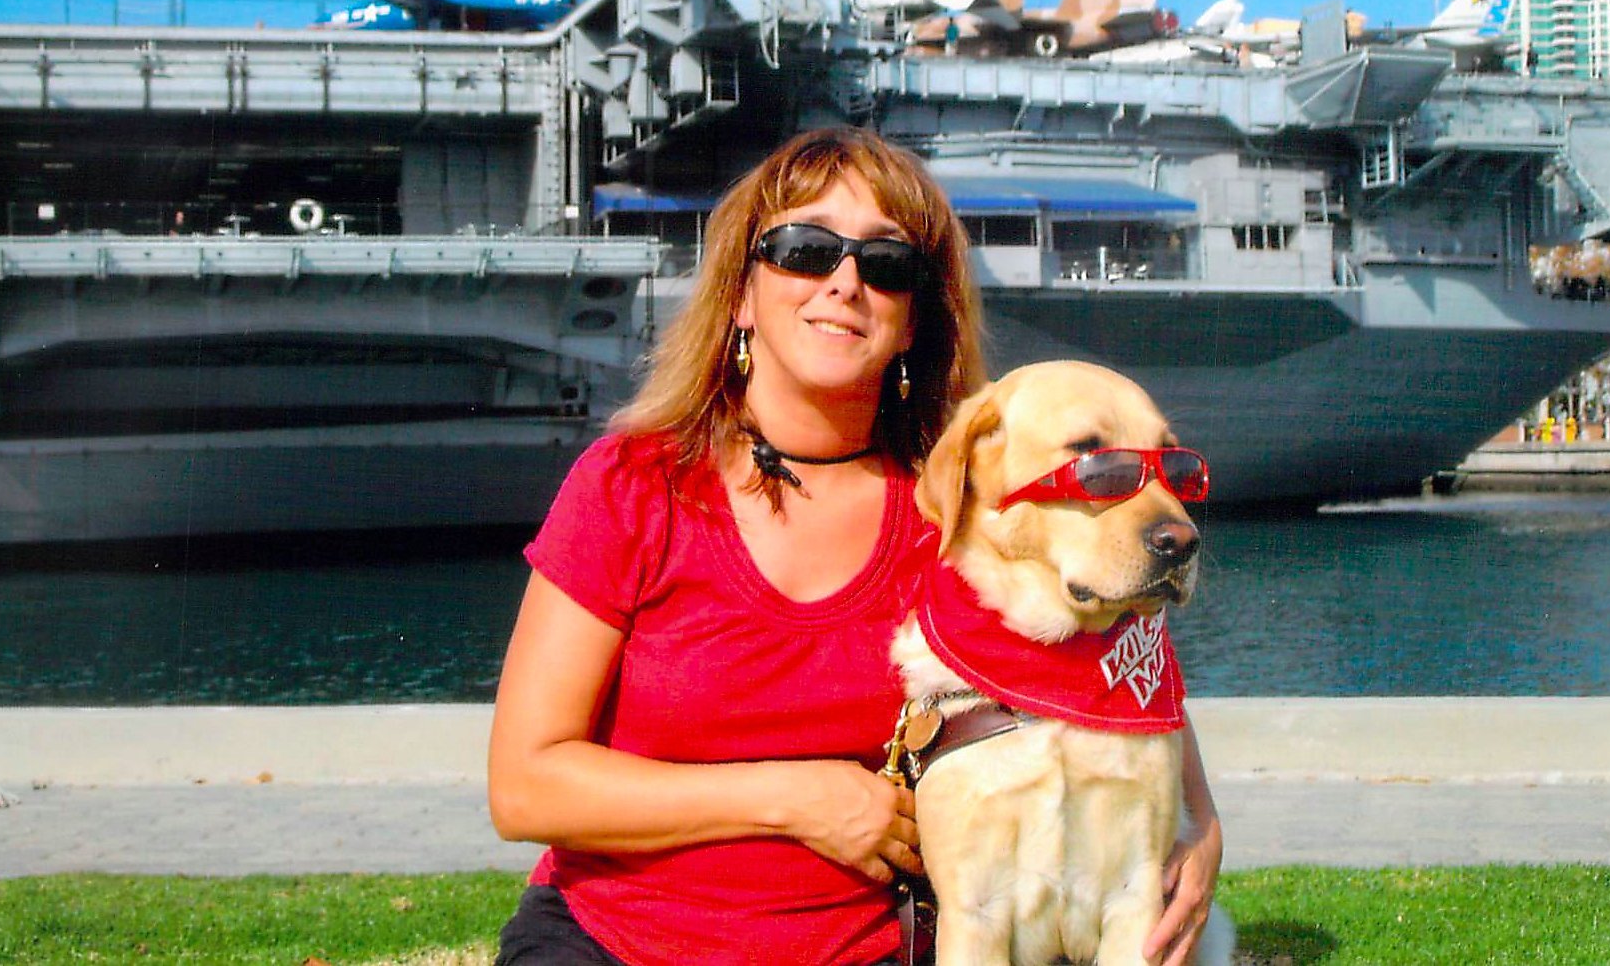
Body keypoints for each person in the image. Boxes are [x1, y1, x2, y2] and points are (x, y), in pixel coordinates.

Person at [488, 127, 1223, 965]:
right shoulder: (632, 486)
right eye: (803, 250)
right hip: (612, 939)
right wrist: (795, 799)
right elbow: (524, 786)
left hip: (865, 948)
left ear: (911, 322)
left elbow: (1119, 654)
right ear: (739, 294)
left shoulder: (955, 513)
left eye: (887, 264)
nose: (845, 282)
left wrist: (1198, 823)